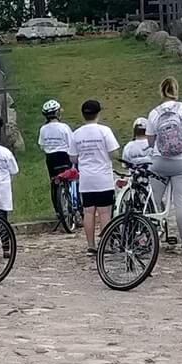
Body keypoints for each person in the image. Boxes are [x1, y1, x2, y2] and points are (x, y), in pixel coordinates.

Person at [146, 77, 182, 252]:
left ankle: (151, 236)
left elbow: (150, 141)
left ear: (161, 91)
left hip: (160, 161)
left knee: (154, 201)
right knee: (180, 203)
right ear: (176, 90)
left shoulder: (154, 113)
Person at [70, 100, 119, 255]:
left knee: (88, 212)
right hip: (103, 178)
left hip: (86, 179)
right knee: (104, 213)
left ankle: (91, 245)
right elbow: (114, 153)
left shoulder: (77, 134)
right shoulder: (104, 131)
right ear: (98, 113)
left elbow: (73, 157)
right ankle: (106, 244)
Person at [38, 100, 73, 179]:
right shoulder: (64, 127)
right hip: (64, 156)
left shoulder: (43, 129)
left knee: (54, 179)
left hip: (50, 158)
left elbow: (42, 146)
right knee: (68, 177)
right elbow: (71, 143)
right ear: (57, 113)